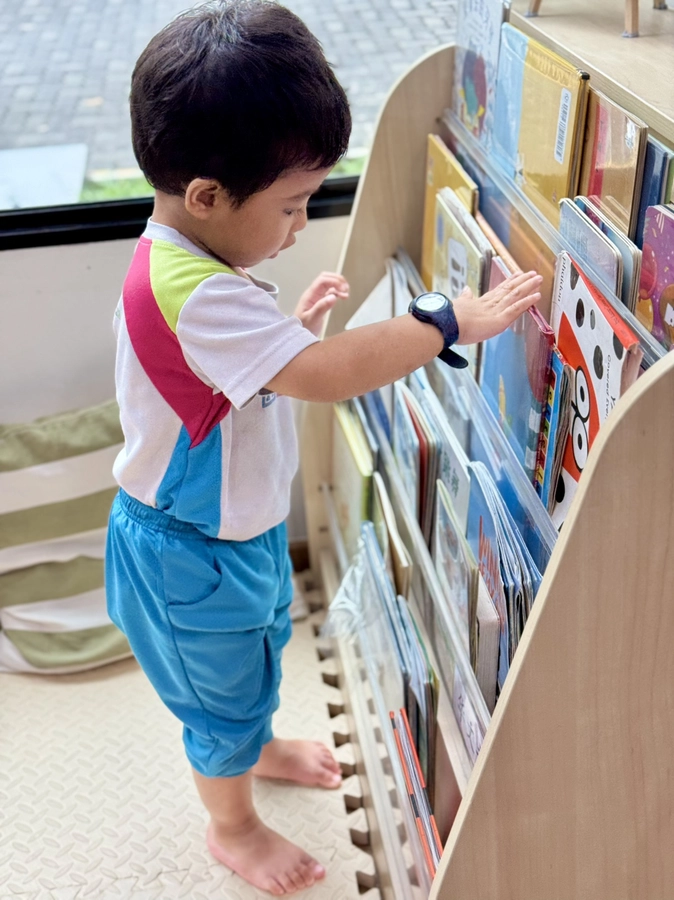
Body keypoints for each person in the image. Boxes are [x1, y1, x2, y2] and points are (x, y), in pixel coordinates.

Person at [105, 1, 543, 896]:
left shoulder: (197, 262)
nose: (301, 225)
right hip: (189, 553)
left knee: (261, 649)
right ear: (207, 197)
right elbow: (329, 376)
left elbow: (248, 378)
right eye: (293, 205)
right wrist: (445, 320)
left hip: (236, 533)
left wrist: (290, 334)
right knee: (218, 700)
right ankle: (232, 825)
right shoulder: (196, 291)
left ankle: (258, 745)